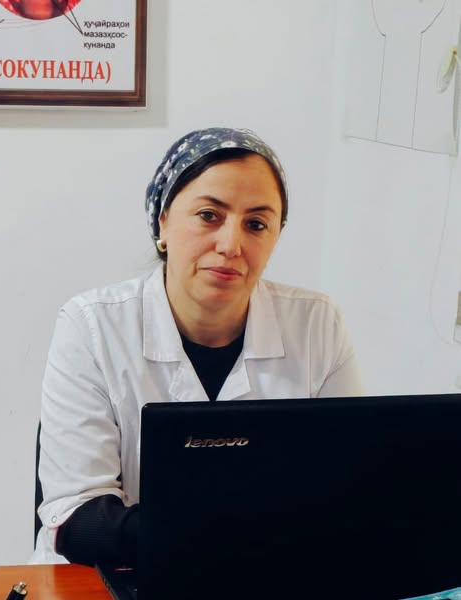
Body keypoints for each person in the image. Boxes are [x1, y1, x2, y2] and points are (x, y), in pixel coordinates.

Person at [31, 127, 364, 566]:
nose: (230, 245)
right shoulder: (91, 326)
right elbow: (77, 519)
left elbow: (349, 486)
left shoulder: (317, 324)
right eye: (209, 215)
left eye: (256, 224)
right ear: (163, 222)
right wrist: (249, 535)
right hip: (112, 575)